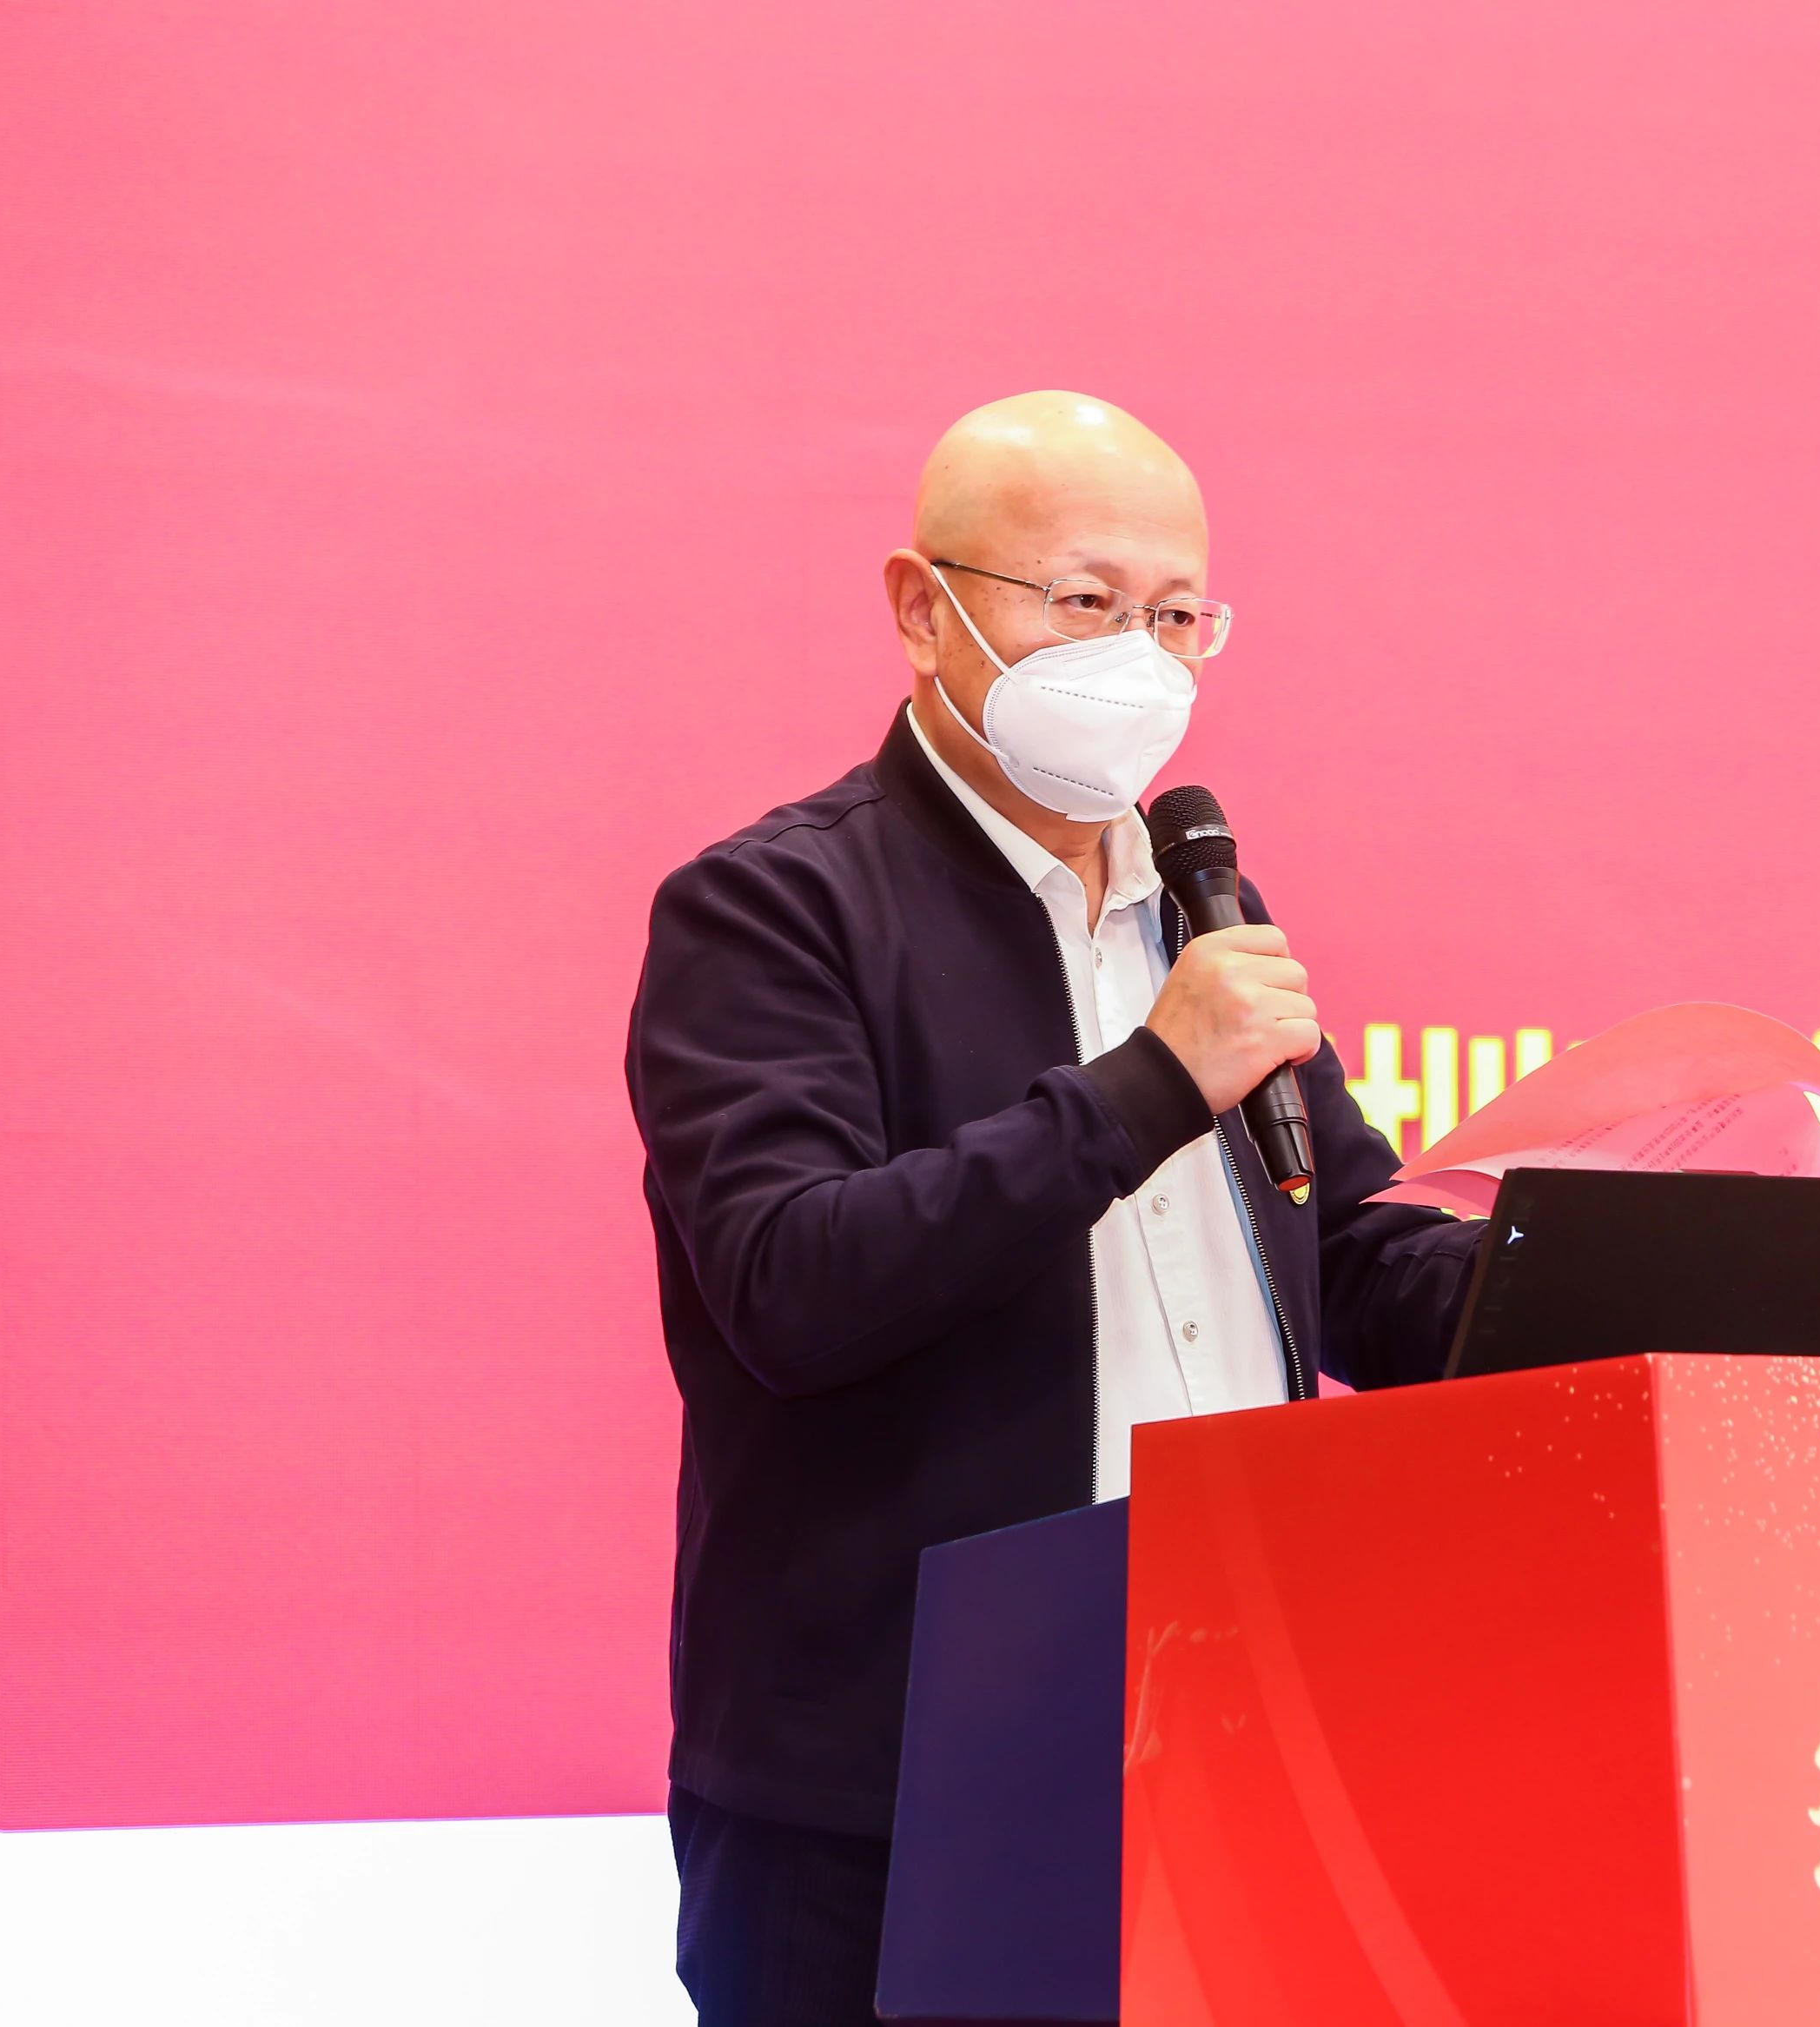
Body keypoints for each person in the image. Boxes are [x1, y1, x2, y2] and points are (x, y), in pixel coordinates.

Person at [625, 390, 1482, 2026]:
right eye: (1087, 601)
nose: (1138, 660)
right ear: (920, 608)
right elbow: (794, 1280)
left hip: (1222, 1751)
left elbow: (1342, 1249)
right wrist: (1153, 1081)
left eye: (1179, 616)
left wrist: (1591, 1280)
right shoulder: (775, 906)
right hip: (891, 1800)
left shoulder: (1198, 907)